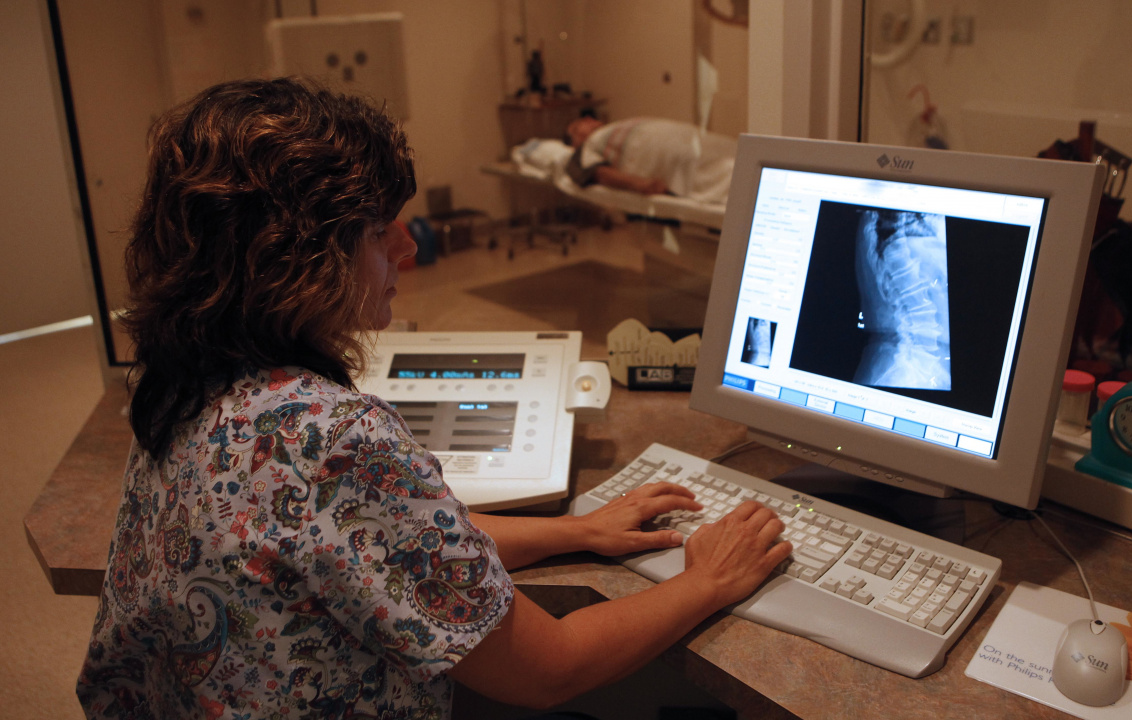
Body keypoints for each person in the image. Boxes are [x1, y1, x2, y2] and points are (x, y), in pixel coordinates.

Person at [76, 77, 791, 719]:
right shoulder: (334, 441)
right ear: (295, 256)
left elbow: (388, 544)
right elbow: (550, 669)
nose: (408, 249)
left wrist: (578, 532)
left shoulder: (181, 382)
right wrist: (707, 581)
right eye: (380, 228)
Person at [565, 116, 736, 203]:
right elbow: (599, 173)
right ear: (575, 142)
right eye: (580, 124)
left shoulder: (617, 126)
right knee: (720, 169)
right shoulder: (587, 146)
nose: (589, 119)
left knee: (728, 150)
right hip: (668, 152)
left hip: (687, 136)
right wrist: (640, 184)